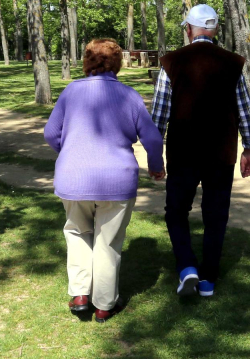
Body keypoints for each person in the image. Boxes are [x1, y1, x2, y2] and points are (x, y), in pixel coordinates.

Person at [44, 38, 165, 322]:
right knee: (107, 241)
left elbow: (51, 133)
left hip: (73, 179)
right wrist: (156, 167)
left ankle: (80, 294)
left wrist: (72, 152)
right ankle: (104, 304)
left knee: (77, 233)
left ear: (87, 62)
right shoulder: (128, 95)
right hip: (117, 181)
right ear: (118, 63)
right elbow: (152, 138)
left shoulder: (71, 92)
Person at [151, 4, 250, 298]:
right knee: (216, 215)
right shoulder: (233, 62)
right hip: (220, 154)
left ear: (188, 30)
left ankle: (187, 268)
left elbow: (159, 114)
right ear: (214, 31)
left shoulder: (171, 62)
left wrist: (153, 153)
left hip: (182, 153)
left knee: (176, 212)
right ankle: (209, 279)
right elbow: (246, 112)